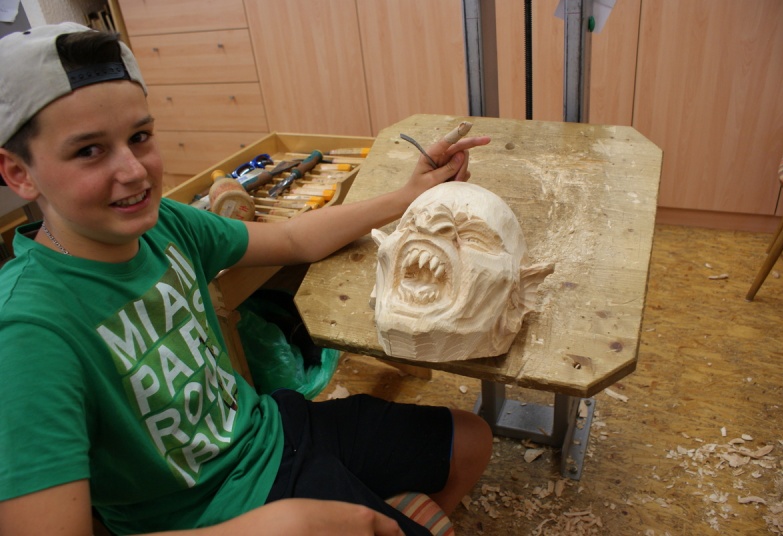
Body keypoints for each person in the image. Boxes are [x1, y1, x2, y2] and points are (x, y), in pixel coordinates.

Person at [0, 22, 493, 536]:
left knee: (470, 441)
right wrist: (279, 525)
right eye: (89, 151)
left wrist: (409, 194)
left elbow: (294, 239)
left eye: (139, 137)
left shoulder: (165, 225)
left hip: (271, 433)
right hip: (209, 514)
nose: (134, 172)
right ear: (19, 173)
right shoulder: (28, 331)